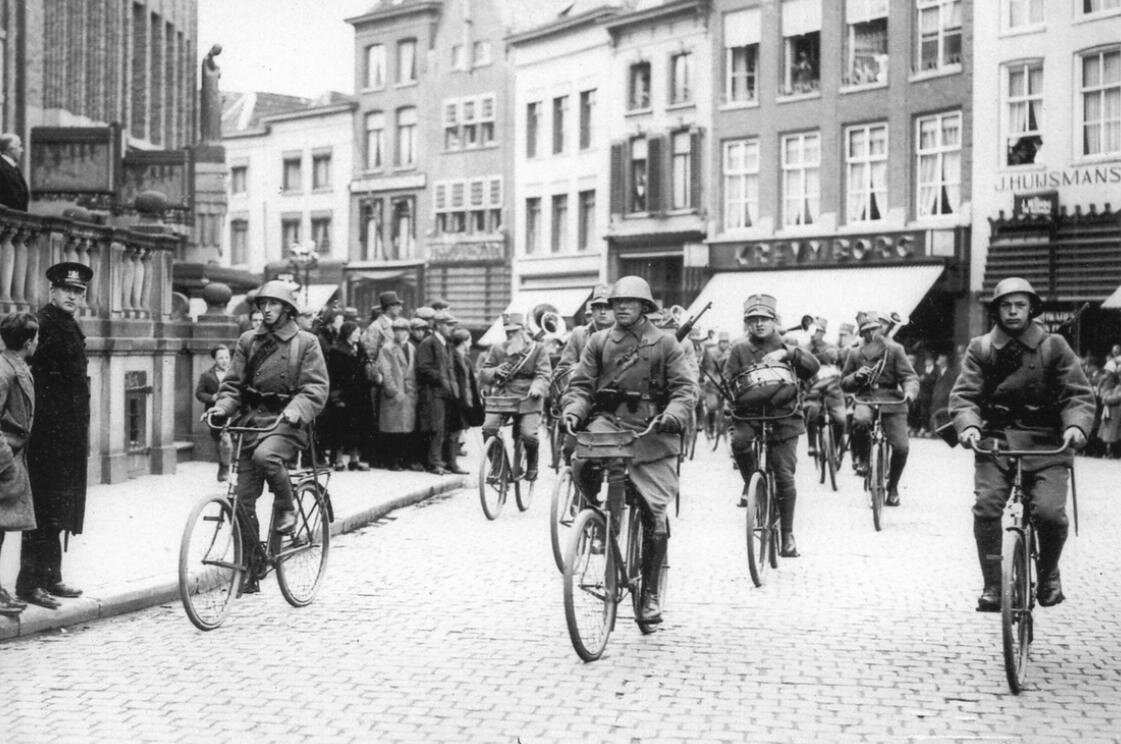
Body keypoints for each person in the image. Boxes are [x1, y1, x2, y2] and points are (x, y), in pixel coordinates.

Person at [950, 277, 1094, 611]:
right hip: (996, 442)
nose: (1013, 311)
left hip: (1048, 444)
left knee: (1050, 514)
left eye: (1020, 305)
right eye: (1006, 305)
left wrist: (1075, 426)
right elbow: (964, 396)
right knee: (986, 507)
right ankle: (993, 585)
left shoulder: (1054, 346)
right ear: (996, 310)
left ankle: (1048, 574)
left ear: (1031, 309)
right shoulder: (981, 348)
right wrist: (969, 427)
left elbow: (1078, 393)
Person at [562, 276, 695, 625]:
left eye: (630, 302)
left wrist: (673, 415)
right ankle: (596, 519)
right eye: (616, 302)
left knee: (655, 513)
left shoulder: (666, 344)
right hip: (609, 422)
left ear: (645, 307)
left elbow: (684, 390)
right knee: (581, 462)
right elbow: (580, 385)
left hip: (653, 431)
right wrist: (574, 410)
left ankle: (649, 594)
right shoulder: (598, 341)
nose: (620, 307)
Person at [204, 281, 329, 593]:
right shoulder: (248, 340)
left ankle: (287, 507)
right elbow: (232, 385)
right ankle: (251, 566)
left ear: (287, 308)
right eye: (263, 304)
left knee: (266, 457)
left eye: (274, 304)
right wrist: (222, 408)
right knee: (242, 502)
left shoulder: (306, 342)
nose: (267, 310)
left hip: (287, 423)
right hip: (252, 422)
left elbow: (315, 388)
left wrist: (296, 410)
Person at [17, 262, 94, 609]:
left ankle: (52, 576)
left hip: (70, 435)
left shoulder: (70, 325)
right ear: (52, 291)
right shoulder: (40, 325)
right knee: (43, 507)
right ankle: (29, 583)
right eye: (67, 290)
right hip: (45, 435)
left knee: (61, 506)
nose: (73, 296)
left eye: (78, 292)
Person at [724, 294, 819, 557]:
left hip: (784, 415)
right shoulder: (739, 349)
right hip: (750, 413)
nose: (759, 324)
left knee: (785, 475)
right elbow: (728, 379)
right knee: (740, 442)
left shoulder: (789, 344)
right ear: (747, 324)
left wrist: (788, 353)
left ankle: (787, 534)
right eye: (753, 320)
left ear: (774, 320)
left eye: (764, 319)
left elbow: (813, 368)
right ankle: (752, 484)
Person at [840, 311, 919, 507]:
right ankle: (865, 460)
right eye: (866, 330)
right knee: (860, 422)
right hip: (866, 398)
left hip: (892, 400)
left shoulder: (894, 349)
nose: (871, 334)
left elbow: (910, 376)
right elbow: (844, 383)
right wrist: (857, 377)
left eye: (874, 329)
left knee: (901, 447)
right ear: (861, 333)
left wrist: (909, 393)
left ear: (881, 328)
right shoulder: (856, 353)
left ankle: (892, 486)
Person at [479, 312, 551, 481]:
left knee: (528, 435)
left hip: (529, 397)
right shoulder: (497, 349)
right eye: (507, 332)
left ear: (523, 330)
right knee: (488, 428)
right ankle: (497, 466)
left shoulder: (538, 349)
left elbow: (544, 374)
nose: (510, 335)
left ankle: (532, 463)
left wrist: (537, 386)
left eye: (514, 331)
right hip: (504, 396)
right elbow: (484, 372)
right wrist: (495, 372)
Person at [0, 312, 39, 616]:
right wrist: (6, 465)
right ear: (28, 342)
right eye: (36, 338)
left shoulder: (17, 366)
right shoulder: (4, 371)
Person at [416, 311, 464, 475]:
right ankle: (435, 463)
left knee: (450, 428)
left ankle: (450, 462)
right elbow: (423, 368)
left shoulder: (446, 344)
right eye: (449, 325)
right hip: (433, 392)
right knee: (436, 428)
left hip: (448, 392)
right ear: (439, 325)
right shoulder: (428, 343)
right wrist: (442, 379)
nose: (451, 328)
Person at [326, 321, 374, 471]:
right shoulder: (336, 351)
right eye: (356, 332)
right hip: (343, 395)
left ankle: (354, 459)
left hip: (359, 395)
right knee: (340, 429)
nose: (358, 335)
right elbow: (332, 376)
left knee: (357, 428)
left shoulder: (359, 348)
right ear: (348, 333)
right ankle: (338, 461)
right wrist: (335, 397)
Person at [377, 317, 418, 471]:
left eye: (403, 329)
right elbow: (386, 372)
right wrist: (393, 391)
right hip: (395, 393)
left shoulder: (411, 347)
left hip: (408, 393)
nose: (399, 333)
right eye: (397, 330)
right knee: (393, 429)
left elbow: (412, 370)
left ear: (407, 331)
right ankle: (392, 461)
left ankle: (402, 460)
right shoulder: (387, 348)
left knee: (404, 429)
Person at [802, 318, 845, 458]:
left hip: (832, 390)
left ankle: (836, 448)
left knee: (840, 420)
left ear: (823, 333)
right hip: (812, 390)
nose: (814, 334)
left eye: (818, 331)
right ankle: (812, 444)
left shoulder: (831, 347)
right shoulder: (804, 349)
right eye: (812, 331)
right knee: (812, 411)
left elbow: (839, 360)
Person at [194, 344, 234, 482]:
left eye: (227, 357)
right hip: (215, 414)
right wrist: (212, 397)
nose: (224, 361)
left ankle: (226, 468)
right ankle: (224, 466)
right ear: (215, 359)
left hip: (233, 413)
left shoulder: (235, 373)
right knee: (220, 442)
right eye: (221, 358)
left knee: (227, 440)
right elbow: (199, 393)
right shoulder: (206, 375)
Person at [0, 133, 29, 212]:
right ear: (11, 149)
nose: (22, 150)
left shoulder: (14, 167)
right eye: (19, 146)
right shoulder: (2, 167)